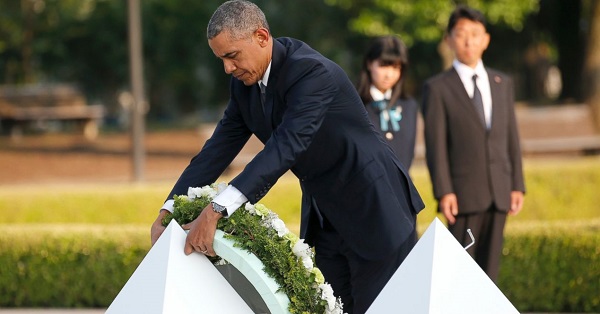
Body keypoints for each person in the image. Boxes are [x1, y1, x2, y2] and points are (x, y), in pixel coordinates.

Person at [150, 1, 424, 312]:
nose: (228, 68)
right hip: (326, 219)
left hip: (376, 209)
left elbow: (286, 145)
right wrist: (167, 211)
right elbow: (215, 151)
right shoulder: (243, 86)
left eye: (232, 56)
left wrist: (216, 211)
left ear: (262, 37)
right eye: (221, 60)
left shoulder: (311, 72)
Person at [421, 5, 525, 282]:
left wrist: (517, 183)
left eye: (475, 34)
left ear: (486, 39)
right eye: (461, 34)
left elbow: (510, 136)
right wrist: (444, 191)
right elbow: (436, 145)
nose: (469, 41)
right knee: (460, 273)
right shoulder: (438, 88)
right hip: (463, 195)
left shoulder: (502, 82)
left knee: (490, 273)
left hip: (500, 190)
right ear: (449, 40)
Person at [357, 35, 419, 169]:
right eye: (383, 66)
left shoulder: (409, 106)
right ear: (369, 63)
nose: (389, 75)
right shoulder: (355, 105)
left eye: (396, 68)